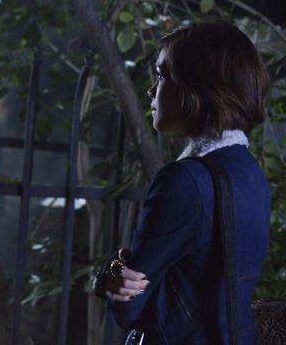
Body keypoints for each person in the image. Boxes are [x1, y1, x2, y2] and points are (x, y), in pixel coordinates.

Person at [93, 21, 271, 343]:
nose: (151, 91)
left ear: (197, 88)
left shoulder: (184, 181)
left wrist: (113, 272)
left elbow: (127, 308)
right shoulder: (250, 174)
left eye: (162, 76)